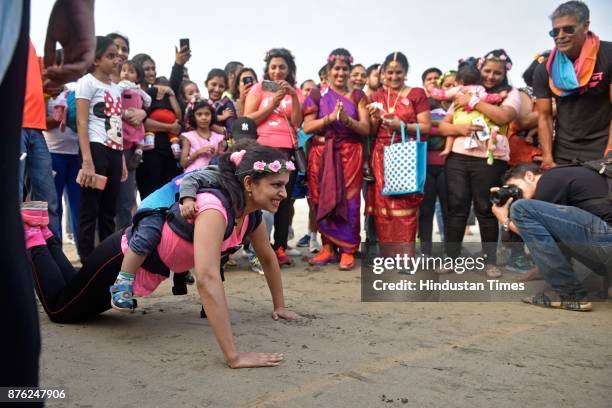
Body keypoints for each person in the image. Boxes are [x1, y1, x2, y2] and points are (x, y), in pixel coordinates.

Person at [25, 145, 300, 368]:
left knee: (74, 288)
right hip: (119, 258)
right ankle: (31, 235)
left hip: (141, 265)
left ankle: (44, 234)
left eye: (285, 185)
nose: (284, 193)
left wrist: (280, 305)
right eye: (276, 185)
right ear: (249, 183)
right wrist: (234, 356)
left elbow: (267, 258)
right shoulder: (215, 209)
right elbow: (206, 278)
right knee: (60, 309)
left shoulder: (250, 217)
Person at [0, 0, 95, 390]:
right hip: (18, 126)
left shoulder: (26, 41)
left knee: (43, 204)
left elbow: (31, 84)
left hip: (32, 127)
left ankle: (45, 271)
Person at [438, 49, 520, 278]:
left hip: (490, 160)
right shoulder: (465, 91)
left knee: (486, 209)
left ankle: (489, 262)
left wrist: (473, 101)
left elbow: (504, 117)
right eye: (487, 71)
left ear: (505, 74)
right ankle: (450, 259)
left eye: (497, 73)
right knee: (456, 208)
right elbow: (443, 127)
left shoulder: (509, 93)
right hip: (457, 158)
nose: (491, 76)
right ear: (479, 70)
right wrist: (460, 128)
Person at [491, 162, 612, 310]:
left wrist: (504, 220)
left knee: (521, 209)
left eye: (513, 188)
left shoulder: (549, 178)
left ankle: (568, 294)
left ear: (529, 176)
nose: (513, 194)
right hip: (605, 244)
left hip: (606, 238)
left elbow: (535, 234)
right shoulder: (569, 176)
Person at [302, 49, 370, 270]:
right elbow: (308, 126)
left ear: (350, 72)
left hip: (350, 153)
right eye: (336, 69)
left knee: (350, 201)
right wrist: (331, 118)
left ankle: (348, 249)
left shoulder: (358, 96)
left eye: (344, 69)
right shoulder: (317, 95)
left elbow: (366, 128)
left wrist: (347, 120)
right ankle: (328, 248)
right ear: (328, 72)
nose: (340, 73)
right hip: (322, 153)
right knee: (322, 198)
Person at [366, 52, 431, 257]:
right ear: (383, 73)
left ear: (406, 73)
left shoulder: (416, 94)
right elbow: (369, 132)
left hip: (406, 153)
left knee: (405, 201)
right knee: (383, 205)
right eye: (390, 72)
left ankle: (406, 254)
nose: (394, 77)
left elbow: (426, 126)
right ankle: (388, 254)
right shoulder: (375, 97)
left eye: (399, 72)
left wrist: (400, 125)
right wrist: (375, 119)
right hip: (380, 155)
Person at [244, 48, 304, 265]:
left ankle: (280, 247)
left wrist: (294, 97)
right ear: (267, 69)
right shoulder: (259, 89)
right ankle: (258, 248)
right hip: (262, 149)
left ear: (289, 70)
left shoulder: (295, 91)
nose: (278, 71)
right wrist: (272, 103)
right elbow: (249, 119)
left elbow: (297, 123)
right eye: (273, 67)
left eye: (282, 67)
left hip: (287, 150)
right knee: (260, 197)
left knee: (284, 200)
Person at [534, 1, 611, 168]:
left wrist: (610, 153)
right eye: (554, 31)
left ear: (585, 26)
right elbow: (544, 116)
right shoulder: (544, 69)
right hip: (563, 153)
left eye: (568, 29)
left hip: (602, 148)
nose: (560, 36)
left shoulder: (608, 55)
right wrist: (547, 157)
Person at [75, 36, 126, 262]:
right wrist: (87, 160)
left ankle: (108, 260)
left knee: (109, 211)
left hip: (115, 151)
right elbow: (81, 122)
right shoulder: (86, 82)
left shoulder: (116, 89)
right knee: (90, 209)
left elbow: (117, 124)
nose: (117, 60)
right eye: (111, 56)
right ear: (96, 59)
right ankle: (87, 261)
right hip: (95, 149)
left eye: (117, 55)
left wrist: (122, 159)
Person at [20, 40, 60, 238]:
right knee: (13, 196)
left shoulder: (28, 42)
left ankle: (50, 255)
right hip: (12, 126)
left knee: (46, 199)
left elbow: (46, 80)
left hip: (36, 128)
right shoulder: (7, 28)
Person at [432, 60, 508, 161]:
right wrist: (499, 96)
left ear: (457, 81)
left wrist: (433, 90)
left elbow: (443, 95)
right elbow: (487, 98)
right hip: (476, 121)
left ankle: (447, 149)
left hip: (458, 120)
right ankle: (490, 145)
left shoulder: (458, 89)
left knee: (451, 133)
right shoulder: (479, 89)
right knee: (488, 129)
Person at [132, 52, 184, 199]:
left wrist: (171, 92)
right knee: (151, 198)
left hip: (169, 152)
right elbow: (145, 123)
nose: (152, 72)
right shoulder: (134, 94)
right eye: (147, 69)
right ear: (137, 70)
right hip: (148, 156)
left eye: (153, 68)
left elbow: (178, 117)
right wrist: (170, 128)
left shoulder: (159, 92)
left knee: (171, 198)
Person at [418, 69, 455, 256]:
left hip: (449, 165)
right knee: (426, 211)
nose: (432, 82)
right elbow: (422, 130)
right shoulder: (421, 104)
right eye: (428, 79)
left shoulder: (456, 105)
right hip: (426, 166)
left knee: (449, 210)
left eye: (435, 79)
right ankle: (425, 251)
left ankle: (449, 251)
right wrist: (448, 129)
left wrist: (436, 127)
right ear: (423, 83)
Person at [44, 77, 81, 245]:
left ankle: (82, 251)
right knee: (54, 205)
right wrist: (62, 117)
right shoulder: (46, 91)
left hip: (76, 155)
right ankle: (55, 248)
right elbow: (41, 121)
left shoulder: (77, 89)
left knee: (77, 205)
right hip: (53, 154)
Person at [179, 97, 225, 172]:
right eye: (199, 114)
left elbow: (222, 161)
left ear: (212, 115)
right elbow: (183, 163)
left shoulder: (219, 138)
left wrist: (217, 154)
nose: (204, 117)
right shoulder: (188, 137)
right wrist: (198, 152)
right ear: (193, 117)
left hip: (213, 176)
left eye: (207, 114)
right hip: (192, 176)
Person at [205, 68, 237, 133]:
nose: (217, 89)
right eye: (213, 84)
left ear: (225, 88)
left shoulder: (227, 104)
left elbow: (232, 130)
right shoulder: (200, 103)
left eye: (221, 86)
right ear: (206, 84)